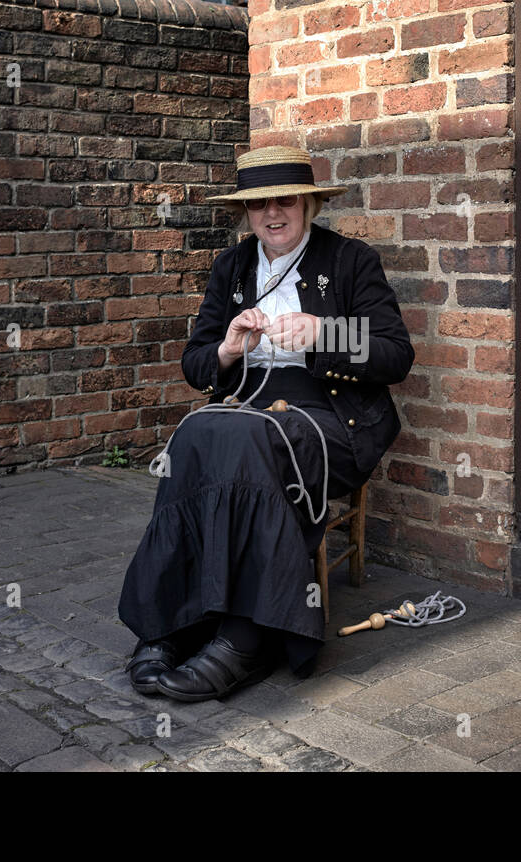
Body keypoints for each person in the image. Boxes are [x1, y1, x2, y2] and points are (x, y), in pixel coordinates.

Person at [116, 145, 415, 703]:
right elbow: (196, 366)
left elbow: (396, 354)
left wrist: (325, 334)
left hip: (331, 415)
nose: (272, 215)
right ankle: (168, 623)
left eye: (285, 202)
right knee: (194, 435)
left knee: (247, 439)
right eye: (259, 206)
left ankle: (245, 638)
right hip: (244, 411)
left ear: (307, 205)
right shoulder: (231, 267)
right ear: (245, 214)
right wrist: (228, 349)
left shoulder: (350, 261)